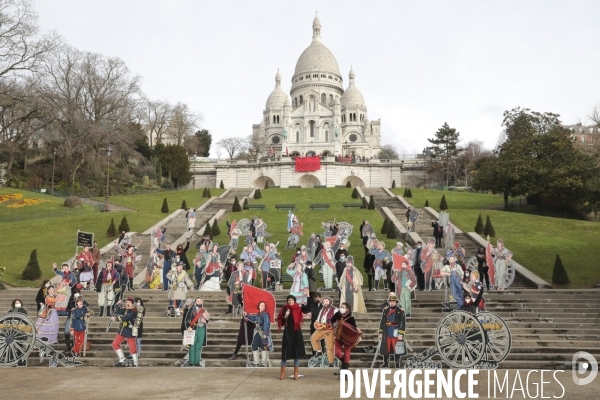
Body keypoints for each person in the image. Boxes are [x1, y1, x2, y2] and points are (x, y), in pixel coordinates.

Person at [278, 295, 306, 380]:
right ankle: (282, 373)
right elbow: (281, 322)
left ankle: (296, 373)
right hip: (288, 332)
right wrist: (285, 316)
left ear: (294, 301)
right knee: (285, 352)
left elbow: (300, 317)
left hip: (297, 332)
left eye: (292, 300)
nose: (290, 302)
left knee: (296, 352)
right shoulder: (284, 309)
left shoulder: (298, 308)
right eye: (289, 300)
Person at [378, 295, 406, 368]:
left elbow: (402, 323)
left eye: (393, 302)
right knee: (386, 349)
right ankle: (385, 363)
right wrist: (380, 333)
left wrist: (401, 334)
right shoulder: (386, 310)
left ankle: (397, 364)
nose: (392, 303)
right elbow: (382, 322)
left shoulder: (400, 311)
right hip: (387, 332)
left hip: (396, 333)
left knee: (397, 349)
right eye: (390, 302)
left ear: (396, 303)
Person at [331, 303, 360, 376]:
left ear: (347, 309)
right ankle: (344, 364)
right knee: (337, 353)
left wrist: (358, 337)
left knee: (347, 354)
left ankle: (345, 371)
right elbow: (332, 322)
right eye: (341, 307)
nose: (341, 308)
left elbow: (354, 328)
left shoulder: (351, 318)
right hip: (338, 336)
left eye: (343, 307)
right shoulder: (337, 315)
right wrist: (334, 324)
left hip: (348, 338)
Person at [309, 296, 338, 367]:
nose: (325, 303)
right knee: (313, 338)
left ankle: (331, 362)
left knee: (329, 346)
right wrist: (316, 324)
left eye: (327, 301)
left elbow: (336, 322)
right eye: (324, 301)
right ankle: (319, 352)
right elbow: (318, 319)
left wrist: (325, 325)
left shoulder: (335, 310)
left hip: (330, 330)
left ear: (330, 302)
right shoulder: (322, 310)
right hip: (321, 328)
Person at [111, 296, 138, 367]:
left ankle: (135, 362)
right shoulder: (126, 309)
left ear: (132, 303)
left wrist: (116, 319)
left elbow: (126, 318)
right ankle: (122, 359)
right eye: (127, 302)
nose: (127, 303)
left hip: (130, 329)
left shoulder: (134, 311)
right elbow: (116, 311)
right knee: (115, 343)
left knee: (132, 345)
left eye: (129, 302)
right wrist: (117, 304)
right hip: (123, 330)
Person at [244, 301, 273, 367]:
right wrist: (247, 315)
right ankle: (256, 361)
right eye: (261, 305)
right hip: (258, 331)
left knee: (263, 346)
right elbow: (253, 318)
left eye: (264, 305)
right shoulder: (258, 314)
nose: (263, 307)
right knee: (254, 345)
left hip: (263, 332)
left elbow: (267, 323)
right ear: (259, 306)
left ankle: (263, 362)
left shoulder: (265, 314)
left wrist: (265, 333)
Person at [184, 296, 210, 367]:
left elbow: (207, 321)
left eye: (200, 301)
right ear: (195, 302)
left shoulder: (204, 310)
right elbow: (186, 320)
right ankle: (191, 362)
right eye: (198, 301)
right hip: (193, 329)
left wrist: (206, 317)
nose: (199, 302)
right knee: (192, 344)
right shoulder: (191, 310)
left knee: (199, 345)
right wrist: (188, 327)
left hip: (201, 329)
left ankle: (197, 362)